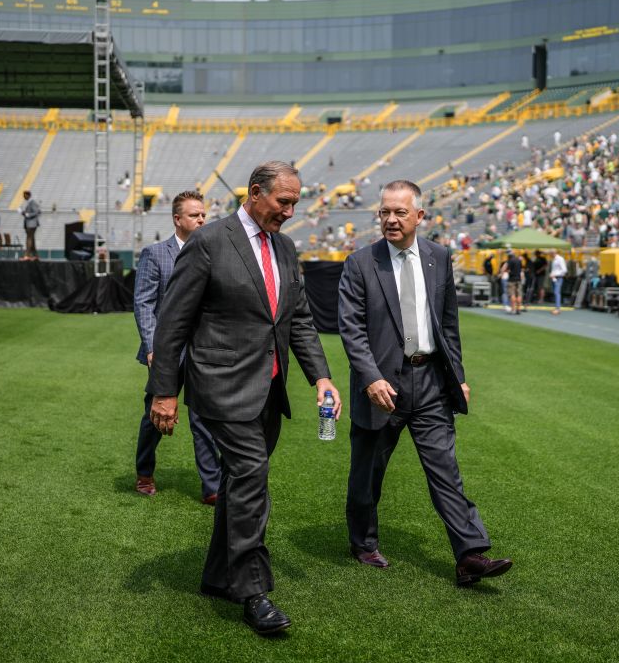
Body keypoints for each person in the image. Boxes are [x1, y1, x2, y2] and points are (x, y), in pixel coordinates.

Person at [148, 161, 341, 636]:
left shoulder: (286, 247)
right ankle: (253, 591)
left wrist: (321, 377)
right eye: (283, 202)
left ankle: (217, 576)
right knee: (252, 477)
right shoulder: (209, 242)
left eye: (295, 202)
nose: (290, 211)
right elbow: (172, 323)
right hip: (220, 387)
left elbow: (298, 319)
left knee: (239, 483)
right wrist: (164, 392)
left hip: (268, 392)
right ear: (255, 194)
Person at [338, 179, 511, 587]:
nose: (391, 220)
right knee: (368, 472)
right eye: (385, 212)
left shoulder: (438, 257)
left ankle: (469, 555)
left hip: (431, 381)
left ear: (420, 216)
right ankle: (363, 542)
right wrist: (372, 378)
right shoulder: (360, 263)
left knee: (445, 470)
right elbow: (351, 330)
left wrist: (459, 378)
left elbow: (448, 324)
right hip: (381, 387)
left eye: (400, 212)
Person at [132, 190, 221, 503]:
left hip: (203, 352)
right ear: (177, 219)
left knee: (204, 419)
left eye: (202, 214)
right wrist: (154, 347)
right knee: (155, 417)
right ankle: (145, 472)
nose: (201, 219)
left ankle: (212, 487)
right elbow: (143, 305)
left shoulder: (212, 252)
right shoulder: (155, 254)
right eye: (194, 215)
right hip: (166, 353)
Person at [19, 190, 41, 260]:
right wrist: (23, 213)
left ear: (28, 195)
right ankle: (35, 255)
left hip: (32, 223)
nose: (24, 197)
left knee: (29, 238)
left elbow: (37, 212)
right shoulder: (28, 203)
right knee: (32, 239)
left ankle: (27, 254)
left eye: (25, 195)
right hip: (28, 223)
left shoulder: (33, 202)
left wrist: (28, 214)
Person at [502, 246, 523, 314]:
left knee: (512, 294)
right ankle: (518, 309)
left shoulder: (510, 261)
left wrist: (506, 271)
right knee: (519, 294)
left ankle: (513, 309)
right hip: (518, 279)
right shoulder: (519, 260)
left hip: (511, 279)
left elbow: (505, 269)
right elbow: (521, 270)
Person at [549, 249, 568, 315]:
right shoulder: (554, 259)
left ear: (553, 253)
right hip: (554, 278)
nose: (549, 255)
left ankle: (558, 308)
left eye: (550, 253)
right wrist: (552, 274)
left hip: (558, 278)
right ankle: (557, 307)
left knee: (557, 292)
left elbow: (564, 270)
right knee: (555, 292)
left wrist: (555, 274)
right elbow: (554, 269)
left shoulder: (560, 259)